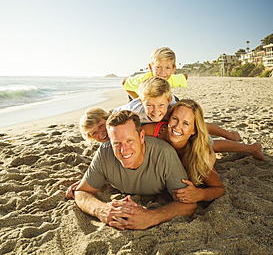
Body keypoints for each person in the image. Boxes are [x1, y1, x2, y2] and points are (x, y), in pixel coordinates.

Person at [66, 110, 196, 230]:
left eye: (129, 140)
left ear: (141, 137)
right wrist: (102, 210)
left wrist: (152, 217)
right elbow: (81, 192)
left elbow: (189, 205)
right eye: (116, 143)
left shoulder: (164, 153)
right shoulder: (105, 152)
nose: (124, 150)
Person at [115, 76, 243, 147]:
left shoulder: (174, 108)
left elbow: (193, 123)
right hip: (150, 119)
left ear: (168, 101)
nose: (155, 111)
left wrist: (206, 139)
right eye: (149, 105)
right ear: (141, 102)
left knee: (200, 128)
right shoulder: (132, 110)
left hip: (171, 108)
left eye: (160, 105)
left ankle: (229, 135)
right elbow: (113, 117)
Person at [122, 47, 188, 100]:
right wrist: (138, 99)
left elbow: (185, 76)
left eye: (167, 68)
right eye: (158, 67)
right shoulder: (143, 80)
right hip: (141, 96)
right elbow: (124, 82)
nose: (163, 72)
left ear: (173, 69)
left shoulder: (173, 79)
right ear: (150, 67)